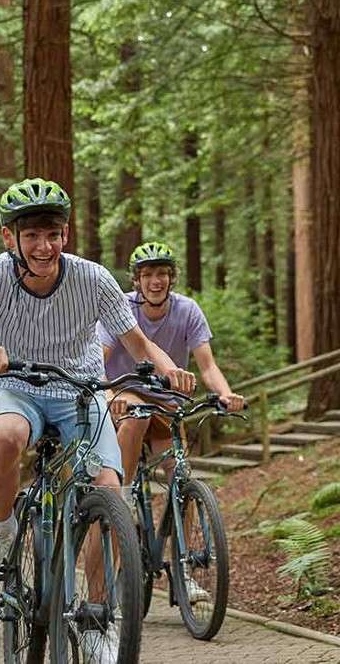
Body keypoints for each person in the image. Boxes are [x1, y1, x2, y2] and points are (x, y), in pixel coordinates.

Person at [0, 178, 193, 657]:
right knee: (5, 434)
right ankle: (2, 526)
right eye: (31, 236)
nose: (43, 246)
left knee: (110, 493)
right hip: (16, 387)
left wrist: (168, 367)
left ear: (65, 235)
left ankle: (93, 616)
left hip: (80, 391)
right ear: (11, 239)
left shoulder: (92, 278)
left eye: (52, 234)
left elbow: (135, 342)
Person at [99, 241, 245, 604]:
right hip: (125, 391)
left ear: (171, 278)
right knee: (137, 416)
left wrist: (225, 394)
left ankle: (183, 572)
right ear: (136, 280)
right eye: (147, 274)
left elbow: (207, 365)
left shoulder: (187, 310)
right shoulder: (121, 309)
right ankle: (128, 494)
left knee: (181, 477)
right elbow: (99, 358)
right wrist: (103, 394)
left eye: (162, 274)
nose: (155, 281)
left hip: (168, 400)